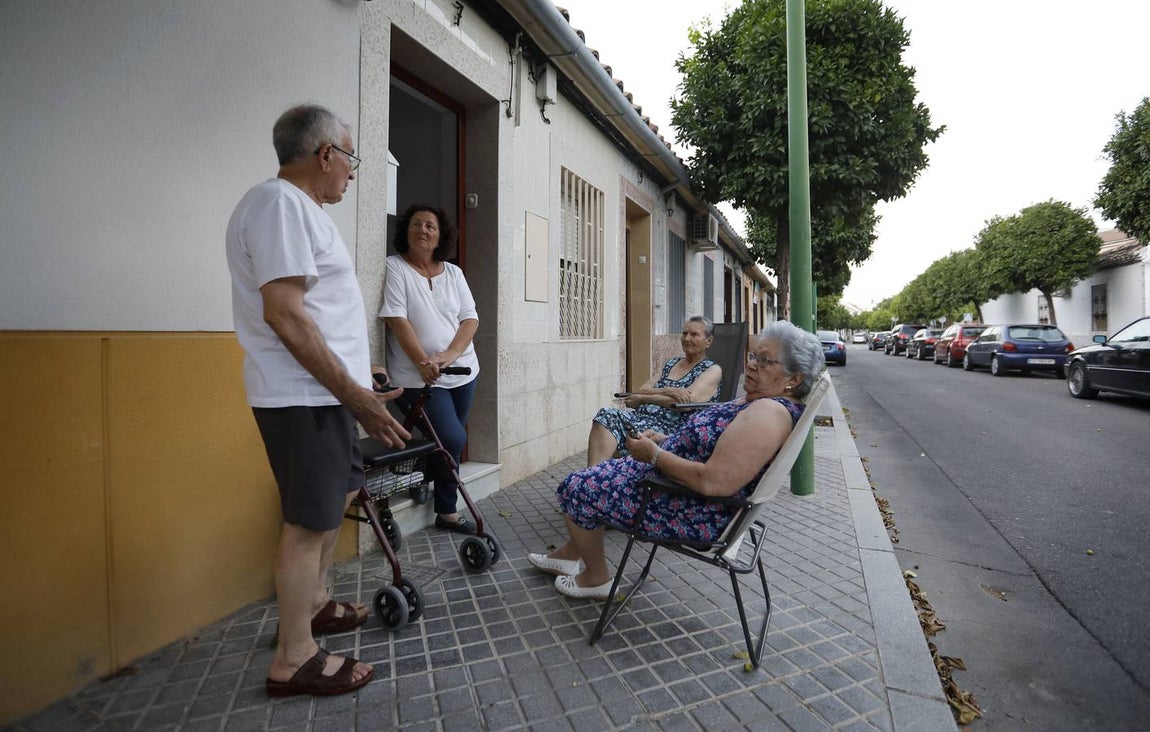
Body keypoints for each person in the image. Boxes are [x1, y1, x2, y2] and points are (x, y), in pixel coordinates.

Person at [226, 104, 410, 697]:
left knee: (341, 495)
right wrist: (357, 397)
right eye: (350, 158)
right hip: (305, 396)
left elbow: (320, 314)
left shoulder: (296, 210)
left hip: (325, 393)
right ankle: (294, 657)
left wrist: (364, 372)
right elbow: (284, 313)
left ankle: (316, 602)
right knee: (308, 523)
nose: (353, 172)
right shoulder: (279, 204)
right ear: (325, 154)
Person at [529, 321, 824, 599]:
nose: (750, 364)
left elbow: (712, 481)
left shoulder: (768, 414)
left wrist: (655, 455)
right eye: (753, 355)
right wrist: (663, 441)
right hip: (669, 485)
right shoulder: (760, 401)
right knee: (596, 472)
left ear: (793, 379)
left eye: (764, 360)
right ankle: (570, 555)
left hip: (687, 507)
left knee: (577, 486)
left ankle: (596, 578)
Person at [379, 203, 481, 534]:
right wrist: (425, 363)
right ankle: (448, 511)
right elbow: (397, 318)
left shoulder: (454, 273)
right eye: (417, 224)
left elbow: (470, 319)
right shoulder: (395, 268)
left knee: (446, 441)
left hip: (463, 371)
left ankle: (428, 482)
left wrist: (450, 354)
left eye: (430, 227)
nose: (423, 230)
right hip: (416, 377)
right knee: (452, 436)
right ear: (406, 231)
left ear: (440, 237)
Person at [585, 315, 723, 466]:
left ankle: (595, 480)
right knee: (606, 415)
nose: (687, 338)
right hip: (640, 418)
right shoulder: (672, 363)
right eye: (684, 333)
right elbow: (643, 389)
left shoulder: (712, 370)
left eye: (694, 334)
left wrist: (644, 398)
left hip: (667, 429)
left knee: (612, 426)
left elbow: (685, 403)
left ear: (708, 341)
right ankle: (592, 475)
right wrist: (669, 390)